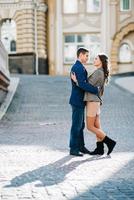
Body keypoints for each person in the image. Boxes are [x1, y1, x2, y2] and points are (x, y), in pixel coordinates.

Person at [71, 54, 116, 155]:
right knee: (96, 125)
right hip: (95, 101)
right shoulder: (99, 72)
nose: (94, 60)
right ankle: (99, 149)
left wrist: (76, 81)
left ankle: (110, 142)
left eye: (96, 58)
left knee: (90, 127)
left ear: (101, 61)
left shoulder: (99, 72)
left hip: (92, 101)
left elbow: (87, 86)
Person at [69, 47, 99, 157]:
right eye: (86, 55)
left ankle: (81, 147)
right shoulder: (77, 67)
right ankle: (73, 148)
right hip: (77, 100)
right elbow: (82, 84)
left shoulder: (80, 67)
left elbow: (81, 82)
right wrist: (96, 89)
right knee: (76, 125)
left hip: (79, 100)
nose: (88, 58)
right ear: (81, 55)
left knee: (81, 125)